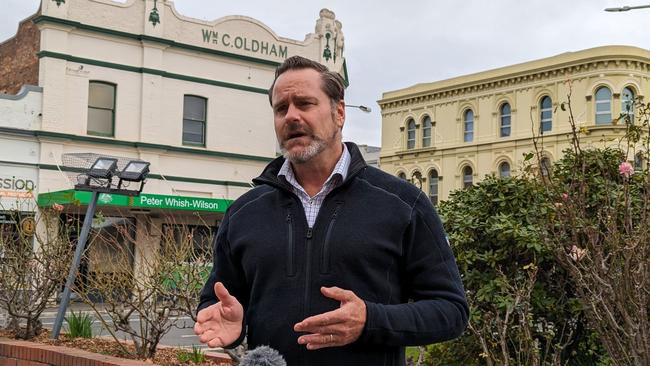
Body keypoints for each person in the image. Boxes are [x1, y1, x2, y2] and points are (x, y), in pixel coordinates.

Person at [194, 56, 468, 365]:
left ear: (339, 113)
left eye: (305, 103)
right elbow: (218, 299)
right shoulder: (244, 213)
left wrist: (370, 319)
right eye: (281, 108)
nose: (291, 116)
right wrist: (230, 321)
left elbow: (451, 311)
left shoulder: (404, 203)